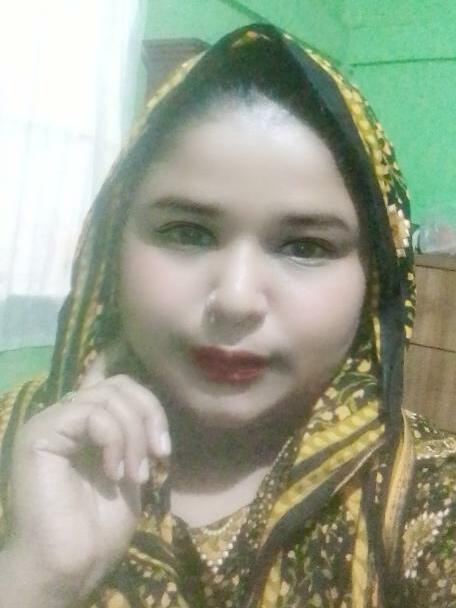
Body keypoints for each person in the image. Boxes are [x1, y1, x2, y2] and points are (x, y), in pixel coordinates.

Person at [0, 23, 455, 608]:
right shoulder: (24, 440)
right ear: (112, 243)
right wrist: (37, 575)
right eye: (187, 232)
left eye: (306, 246)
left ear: (378, 277)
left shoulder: (433, 498)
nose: (236, 301)